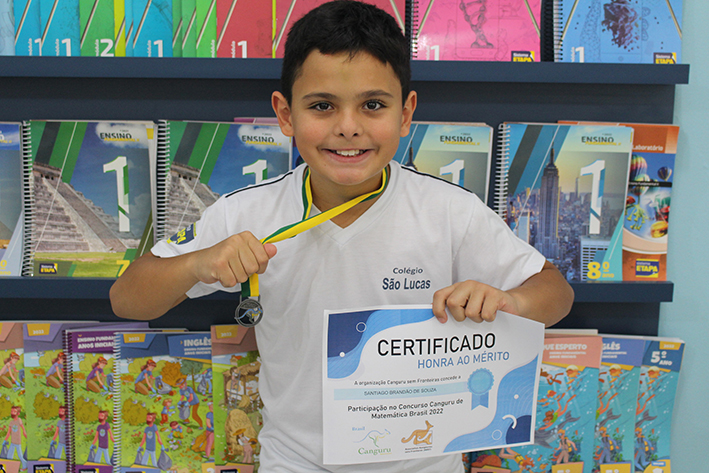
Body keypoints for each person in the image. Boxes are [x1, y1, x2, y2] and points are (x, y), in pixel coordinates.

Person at [110, 1, 574, 471]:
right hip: (295, 465)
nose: (348, 128)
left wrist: (510, 303)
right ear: (285, 114)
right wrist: (197, 262)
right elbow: (128, 299)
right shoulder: (246, 212)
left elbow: (555, 292)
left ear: (406, 114)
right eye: (322, 106)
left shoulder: (450, 211)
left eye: (373, 105)